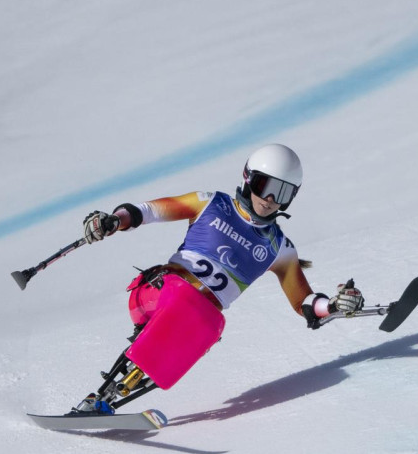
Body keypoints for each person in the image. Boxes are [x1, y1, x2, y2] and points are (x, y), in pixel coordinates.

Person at [70, 143, 364, 415]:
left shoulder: (280, 247)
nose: (270, 200)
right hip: (156, 293)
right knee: (187, 303)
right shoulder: (211, 203)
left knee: (212, 325)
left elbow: (304, 301)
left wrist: (335, 305)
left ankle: (113, 400)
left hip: (197, 317)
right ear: (249, 178)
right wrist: (113, 220)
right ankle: (96, 398)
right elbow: (148, 212)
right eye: (265, 186)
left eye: (282, 193)